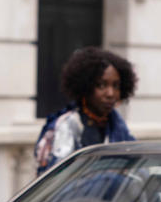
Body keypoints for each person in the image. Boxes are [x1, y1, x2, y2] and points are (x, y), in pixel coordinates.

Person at [34, 46, 138, 175]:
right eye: (101, 85)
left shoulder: (118, 127)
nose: (110, 93)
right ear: (86, 87)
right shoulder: (67, 125)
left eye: (116, 86)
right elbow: (56, 178)